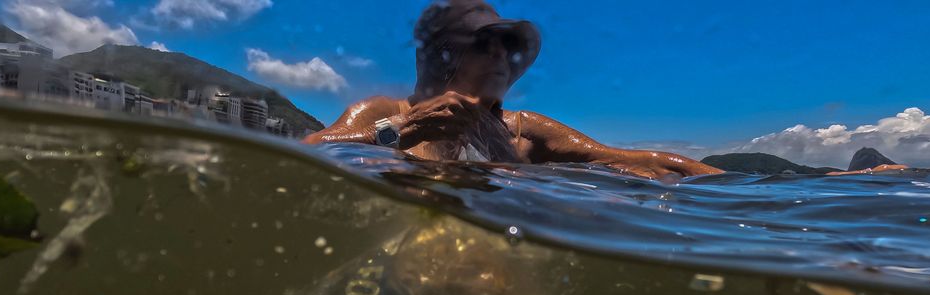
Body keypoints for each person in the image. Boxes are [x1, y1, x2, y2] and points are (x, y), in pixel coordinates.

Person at [302, 0, 722, 179]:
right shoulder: (386, 110)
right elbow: (312, 149)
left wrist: (741, 194)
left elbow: (638, 158)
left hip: (490, 272)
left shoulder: (520, 130)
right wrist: (405, 130)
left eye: (508, 46)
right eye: (485, 45)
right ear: (444, 57)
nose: (501, 57)